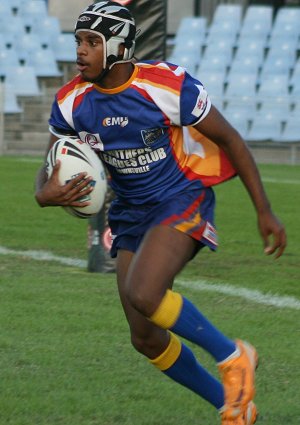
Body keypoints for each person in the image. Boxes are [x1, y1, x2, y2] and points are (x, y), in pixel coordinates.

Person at [35, 2, 287, 424]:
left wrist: (264, 211)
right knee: (145, 336)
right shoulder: (71, 102)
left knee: (146, 293)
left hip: (180, 198)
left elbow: (232, 140)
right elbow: (46, 174)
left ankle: (232, 354)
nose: (81, 51)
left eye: (92, 42)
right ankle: (234, 408)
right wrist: (48, 195)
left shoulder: (167, 85)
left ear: (117, 47)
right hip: (130, 214)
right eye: (78, 41)